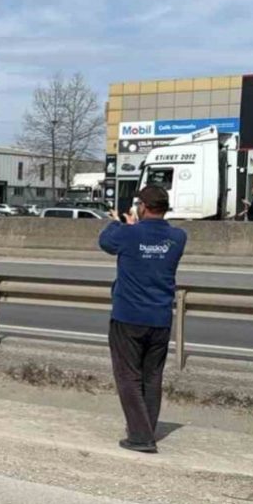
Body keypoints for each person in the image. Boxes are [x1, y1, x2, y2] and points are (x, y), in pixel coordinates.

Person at [99, 186, 188, 453]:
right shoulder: (178, 237)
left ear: (143, 206)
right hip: (160, 317)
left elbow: (105, 242)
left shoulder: (128, 234)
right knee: (152, 377)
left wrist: (118, 222)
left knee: (128, 377)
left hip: (128, 316)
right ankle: (147, 427)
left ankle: (140, 437)